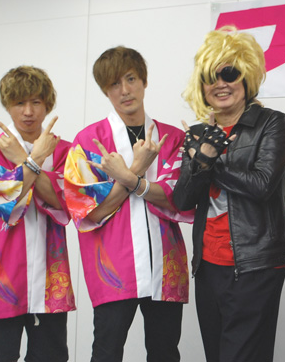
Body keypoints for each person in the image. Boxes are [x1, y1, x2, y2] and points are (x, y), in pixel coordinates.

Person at [173, 26, 285, 362]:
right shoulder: (197, 133)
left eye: (229, 73)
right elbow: (182, 200)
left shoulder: (271, 122)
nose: (220, 84)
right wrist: (199, 160)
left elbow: (262, 185)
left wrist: (209, 161)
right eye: (210, 77)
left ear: (247, 77)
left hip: (255, 263)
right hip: (209, 265)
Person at [64, 46, 190, 362]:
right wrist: (135, 170)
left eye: (131, 79)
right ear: (105, 91)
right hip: (112, 266)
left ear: (144, 81)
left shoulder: (172, 138)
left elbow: (180, 198)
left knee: (165, 353)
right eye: (114, 84)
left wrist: (127, 179)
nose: (124, 90)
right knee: (106, 352)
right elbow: (90, 211)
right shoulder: (88, 141)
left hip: (165, 263)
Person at [0, 66, 76, 362]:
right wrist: (34, 160)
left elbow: (67, 202)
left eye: (36, 102)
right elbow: (5, 202)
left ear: (47, 105)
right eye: (19, 103)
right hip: (2, 271)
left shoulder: (66, 151)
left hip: (52, 277)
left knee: (50, 358)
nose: (28, 112)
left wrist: (25, 162)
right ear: (8, 105)